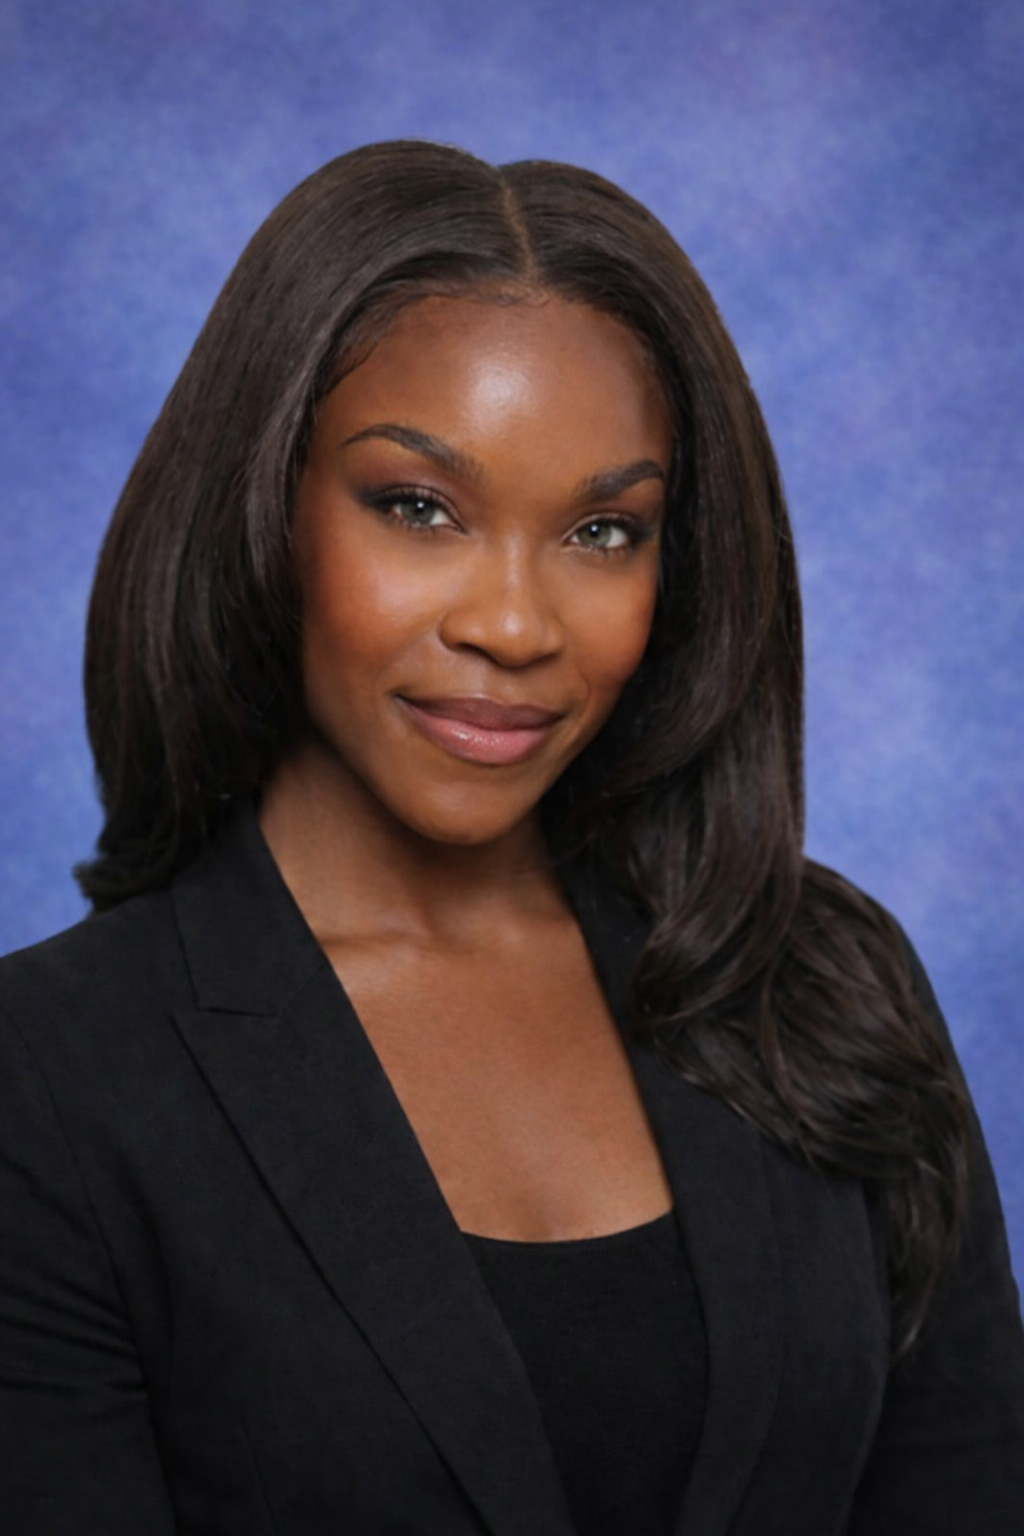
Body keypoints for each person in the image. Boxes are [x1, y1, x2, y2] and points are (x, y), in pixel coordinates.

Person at [1, 140, 1021, 1536]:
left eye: (604, 531)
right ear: (264, 511)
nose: (517, 624)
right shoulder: (50, 1081)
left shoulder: (820, 981)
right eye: (418, 508)